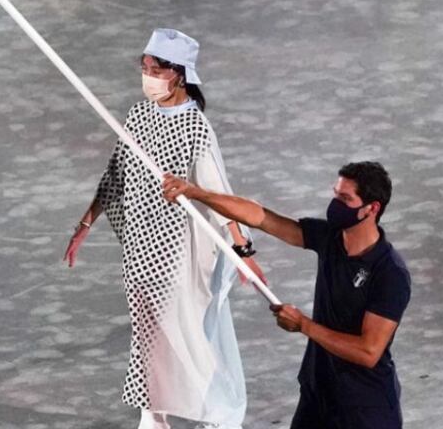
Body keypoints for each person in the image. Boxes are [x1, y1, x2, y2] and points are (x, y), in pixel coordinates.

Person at [64, 28, 266, 429]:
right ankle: (153, 415)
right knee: (147, 335)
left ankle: (211, 414)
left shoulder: (195, 127)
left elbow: (217, 192)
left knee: (184, 335)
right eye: (144, 67)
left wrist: (242, 250)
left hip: (174, 253)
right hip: (138, 249)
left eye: (154, 68)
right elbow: (115, 174)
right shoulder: (138, 114)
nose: (147, 75)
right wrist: (86, 223)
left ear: (177, 73)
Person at [163, 161, 411, 429]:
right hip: (318, 394)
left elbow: (368, 351)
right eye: (335, 194)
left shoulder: (390, 274)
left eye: (345, 198)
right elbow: (261, 217)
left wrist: (304, 325)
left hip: (364, 410)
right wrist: (196, 193)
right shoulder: (331, 238)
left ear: (372, 208)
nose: (334, 204)